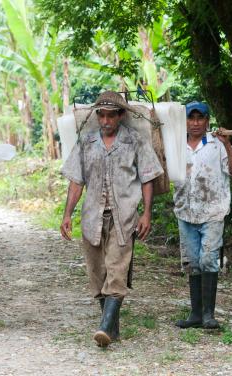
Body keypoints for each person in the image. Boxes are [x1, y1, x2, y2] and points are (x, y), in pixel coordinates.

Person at [60, 91, 163, 346]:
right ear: (97, 116)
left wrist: (147, 213)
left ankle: (104, 328)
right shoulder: (86, 141)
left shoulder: (135, 140)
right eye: (102, 115)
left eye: (111, 115)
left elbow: (148, 178)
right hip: (92, 217)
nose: (105, 120)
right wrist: (67, 214)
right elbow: (76, 182)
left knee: (117, 270)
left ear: (120, 116)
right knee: (97, 274)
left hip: (124, 216)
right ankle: (112, 329)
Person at [174, 101, 232, 329]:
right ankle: (195, 314)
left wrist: (228, 144)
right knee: (193, 262)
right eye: (191, 118)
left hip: (213, 211)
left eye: (200, 118)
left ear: (207, 121)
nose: (195, 123)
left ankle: (208, 314)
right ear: (184, 121)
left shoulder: (216, 144)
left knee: (208, 259)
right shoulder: (176, 145)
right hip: (185, 211)